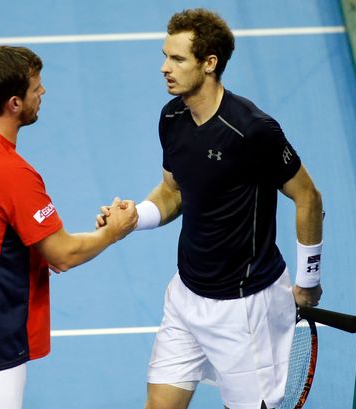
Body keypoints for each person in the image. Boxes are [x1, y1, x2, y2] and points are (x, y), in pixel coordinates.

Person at [97, 8, 323, 409]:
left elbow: (308, 196)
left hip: (244, 308)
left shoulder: (253, 130)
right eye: (165, 56)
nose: (165, 67)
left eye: (177, 59)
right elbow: (173, 191)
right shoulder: (172, 117)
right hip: (186, 295)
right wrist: (134, 219)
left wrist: (307, 280)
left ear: (209, 64)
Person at [0, 45, 138, 409]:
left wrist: (39, 249)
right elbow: (64, 253)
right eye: (35, 88)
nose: (42, 93)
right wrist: (112, 231)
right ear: (14, 103)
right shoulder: (11, 173)